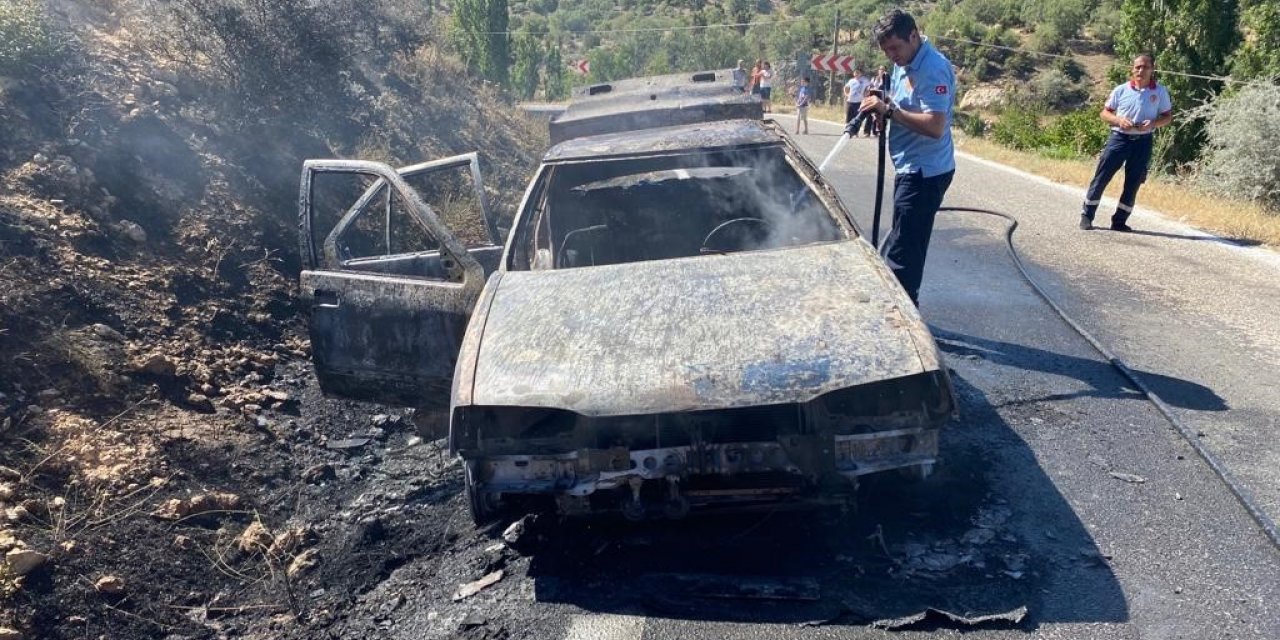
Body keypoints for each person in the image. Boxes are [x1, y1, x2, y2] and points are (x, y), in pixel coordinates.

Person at [847, 9, 956, 305]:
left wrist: (890, 112)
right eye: (886, 50)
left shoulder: (932, 68)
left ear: (914, 35)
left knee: (904, 252)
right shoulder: (905, 60)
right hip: (910, 165)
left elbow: (935, 126)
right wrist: (885, 102)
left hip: (926, 172)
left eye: (895, 47)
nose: (892, 55)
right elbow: (905, 101)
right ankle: (904, 304)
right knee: (902, 238)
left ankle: (906, 319)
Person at [1078, 53, 1173, 232]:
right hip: (1119, 139)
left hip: (1143, 142)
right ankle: (1087, 215)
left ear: (1152, 69)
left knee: (1134, 182)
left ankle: (1119, 221)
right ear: (1132, 69)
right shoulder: (1121, 89)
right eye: (1137, 67)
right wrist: (1119, 120)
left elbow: (1168, 117)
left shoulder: (1160, 92)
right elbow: (1104, 113)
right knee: (1102, 177)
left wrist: (1153, 123)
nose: (1140, 70)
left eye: (1145, 67)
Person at [846, 68, 878, 137]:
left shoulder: (864, 80)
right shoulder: (851, 80)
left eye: (858, 72)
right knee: (849, 117)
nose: (856, 74)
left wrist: (867, 93)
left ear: (861, 73)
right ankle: (848, 131)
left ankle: (855, 132)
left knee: (857, 117)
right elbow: (846, 87)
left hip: (859, 101)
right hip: (850, 101)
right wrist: (846, 94)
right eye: (855, 72)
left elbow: (871, 86)